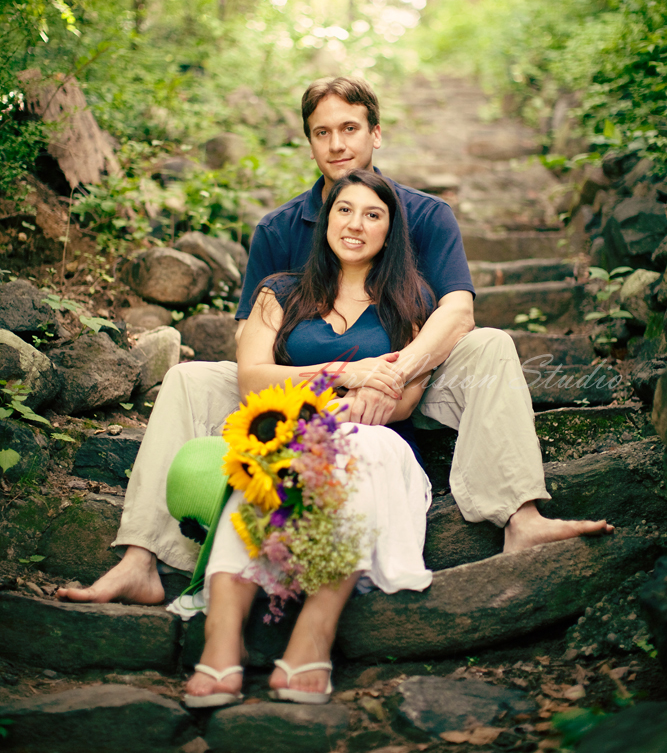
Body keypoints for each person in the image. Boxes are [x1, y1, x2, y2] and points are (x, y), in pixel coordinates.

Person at [56, 75, 612, 607]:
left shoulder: (424, 214)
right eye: (322, 132)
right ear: (309, 142)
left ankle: (521, 516)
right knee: (186, 378)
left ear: (375, 133)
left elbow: (457, 311)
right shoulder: (278, 230)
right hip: (297, 381)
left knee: (489, 344)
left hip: (413, 375)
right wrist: (341, 379)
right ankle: (142, 557)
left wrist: (392, 372)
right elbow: (252, 342)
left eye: (349, 128)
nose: (337, 143)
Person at [185, 170, 436, 706]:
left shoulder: (411, 298)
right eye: (345, 210)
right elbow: (252, 377)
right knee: (267, 461)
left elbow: (406, 398)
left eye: (374, 215)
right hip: (288, 433)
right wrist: (348, 374)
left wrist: (350, 407)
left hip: (380, 441)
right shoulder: (280, 291)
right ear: (326, 220)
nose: (356, 224)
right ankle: (221, 642)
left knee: (356, 447)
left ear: (390, 232)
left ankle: (311, 639)